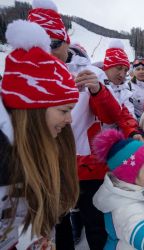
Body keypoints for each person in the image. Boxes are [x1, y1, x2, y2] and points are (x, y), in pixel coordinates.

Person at [0, 19, 79, 249]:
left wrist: (34, 241)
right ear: (35, 110)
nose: (70, 120)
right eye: (64, 110)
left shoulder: (40, 142)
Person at [103, 39, 136, 118]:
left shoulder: (126, 93)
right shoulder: (89, 85)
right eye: (119, 68)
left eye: (125, 71)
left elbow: (131, 117)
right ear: (107, 67)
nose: (122, 75)